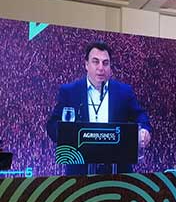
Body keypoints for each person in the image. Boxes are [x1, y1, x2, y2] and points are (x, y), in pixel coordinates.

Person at [46, 41, 152, 175]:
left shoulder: (124, 92)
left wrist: (144, 130)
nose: (101, 68)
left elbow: (140, 116)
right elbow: (52, 125)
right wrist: (68, 134)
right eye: (95, 62)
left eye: (105, 63)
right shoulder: (70, 91)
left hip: (118, 173)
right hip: (80, 173)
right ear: (86, 64)